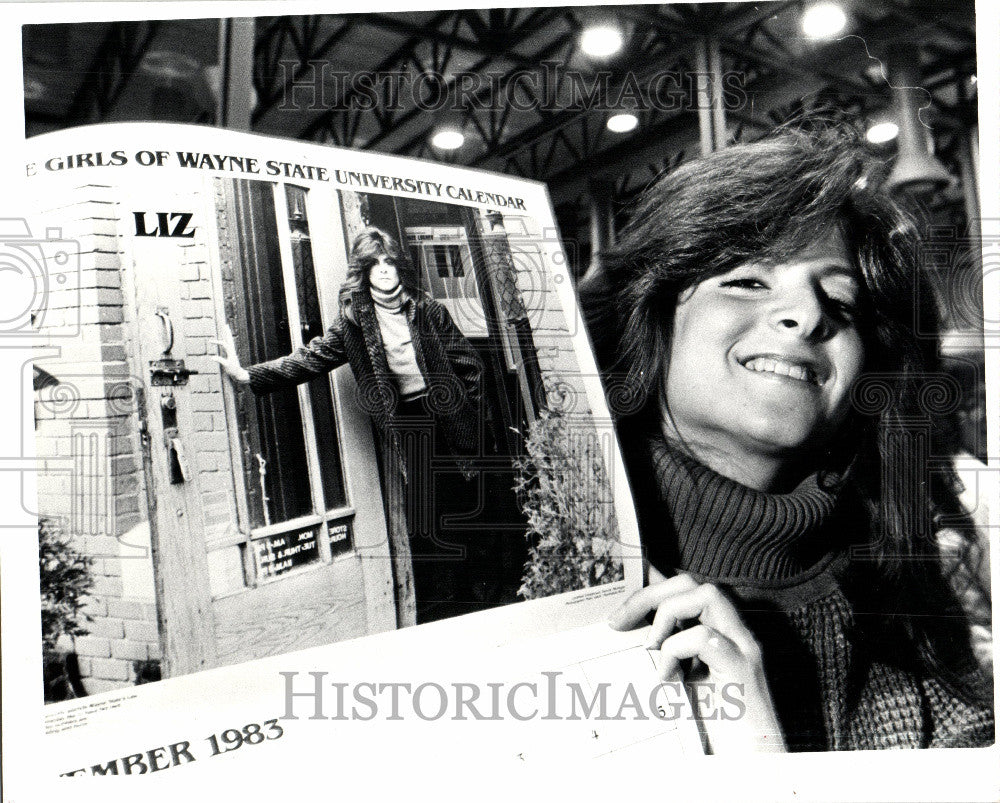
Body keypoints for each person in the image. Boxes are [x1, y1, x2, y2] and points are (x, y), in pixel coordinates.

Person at [593, 127, 993, 752]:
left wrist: (764, 766)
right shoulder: (547, 579)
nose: (808, 315)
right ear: (651, 315)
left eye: (842, 300)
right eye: (747, 281)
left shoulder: (900, 590)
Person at [211, 227, 492, 622]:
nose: (383, 270)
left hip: (449, 412)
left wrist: (473, 419)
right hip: (409, 420)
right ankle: (447, 601)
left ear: (399, 267)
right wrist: (249, 376)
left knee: (469, 499)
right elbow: (311, 358)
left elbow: (471, 367)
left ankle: (483, 589)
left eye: (389, 262)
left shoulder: (428, 309)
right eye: (373, 264)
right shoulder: (354, 323)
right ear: (363, 272)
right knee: (429, 508)